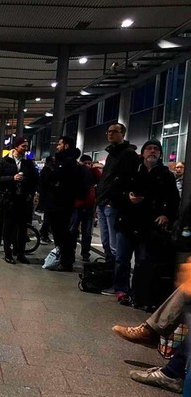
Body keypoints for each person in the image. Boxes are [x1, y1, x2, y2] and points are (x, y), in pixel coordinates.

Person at [106, 139, 179, 305]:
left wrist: (167, 215)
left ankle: (138, 292)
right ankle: (121, 290)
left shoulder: (165, 175)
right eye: (149, 149)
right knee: (122, 259)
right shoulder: (131, 171)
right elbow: (114, 192)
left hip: (149, 224)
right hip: (128, 221)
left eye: (156, 149)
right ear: (143, 152)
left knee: (142, 261)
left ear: (160, 154)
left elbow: (174, 199)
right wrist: (128, 198)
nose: (152, 151)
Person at [95, 123, 140, 262]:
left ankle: (117, 277)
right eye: (108, 131)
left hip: (112, 204)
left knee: (115, 245)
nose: (110, 134)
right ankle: (110, 272)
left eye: (114, 131)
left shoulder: (128, 154)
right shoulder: (112, 154)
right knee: (106, 242)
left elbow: (126, 180)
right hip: (103, 202)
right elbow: (107, 178)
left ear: (123, 134)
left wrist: (113, 200)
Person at [0, 137, 38, 264]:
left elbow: (34, 180)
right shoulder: (4, 161)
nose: (26, 148)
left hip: (23, 200)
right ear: (16, 147)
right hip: (8, 199)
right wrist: (12, 178)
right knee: (8, 227)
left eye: (27, 146)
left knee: (23, 228)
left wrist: (31, 193)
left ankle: (20, 253)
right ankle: (8, 253)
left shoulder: (28, 163)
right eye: (23, 146)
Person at [45, 136, 80, 272]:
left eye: (59, 144)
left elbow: (53, 178)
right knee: (60, 232)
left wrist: (54, 184)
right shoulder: (64, 161)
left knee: (62, 232)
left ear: (66, 146)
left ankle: (66, 261)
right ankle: (64, 259)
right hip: (60, 202)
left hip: (63, 203)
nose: (57, 147)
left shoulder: (68, 162)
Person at [71, 154, 99, 262]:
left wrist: (94, 169)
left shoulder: (92, 173)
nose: (88, 165)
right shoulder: (78, 172)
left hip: (89, 207)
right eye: (85, 163)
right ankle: (71, 250)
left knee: (87, 232)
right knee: (73, 230)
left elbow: (100, 178)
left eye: (89, 163)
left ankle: (85, 253)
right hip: (77, 207)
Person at [37, 156, 55, 244]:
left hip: (47, 197)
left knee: (48, 217)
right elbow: (45, 184)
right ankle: (44, 233)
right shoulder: (47, 171)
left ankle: (44, 233)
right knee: (49, 217)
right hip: (47, 198)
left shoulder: (46, 170)